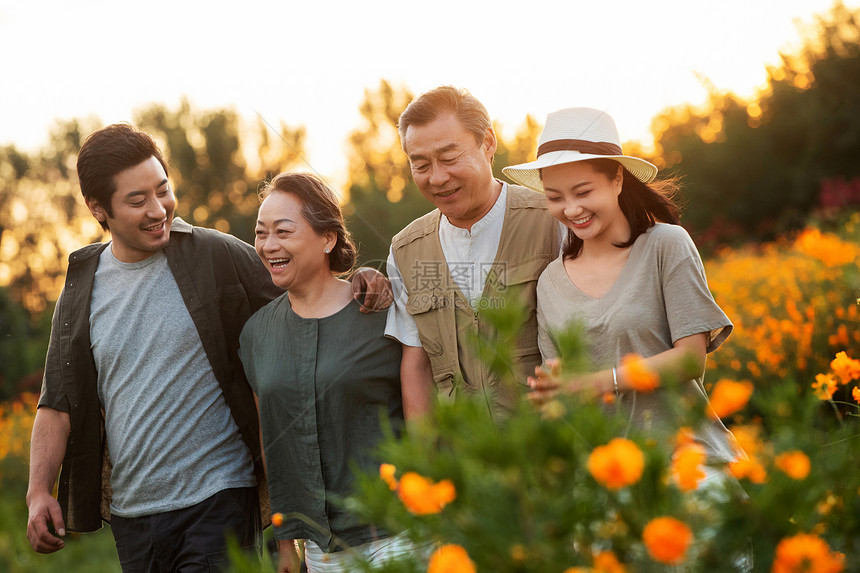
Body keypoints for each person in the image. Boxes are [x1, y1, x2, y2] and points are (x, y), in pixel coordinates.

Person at [26, 123, 391, 572]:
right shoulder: (80, 290)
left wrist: (363, 279)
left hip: (218, 499)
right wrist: (38, 490)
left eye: (163, 190)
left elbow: (305, 289)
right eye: (137, 201)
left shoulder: (215, 255)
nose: (158, 209)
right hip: (133, 515)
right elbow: (57, 401)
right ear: (98, 208)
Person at [503, 106, 740, 465]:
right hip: (608, 473)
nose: (570, 209)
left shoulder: (666, 245)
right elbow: (563, 387)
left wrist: (598, 382)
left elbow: (691, 360)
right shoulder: (550, 281)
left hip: (687, 459)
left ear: (617, 179)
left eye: (583, 191)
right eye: (554, 197)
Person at [239, 172, 424, 573]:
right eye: (261, 233)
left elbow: (422, 410)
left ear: (328, 239)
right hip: (322, 551)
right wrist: (287, 543)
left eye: (283, 231)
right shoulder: (256, 334)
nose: (270, 245)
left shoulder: (381, 309)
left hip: (398, 533)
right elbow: (272, 441)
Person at [386, 86, 562, 422]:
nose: (437, 178)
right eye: (420, 164)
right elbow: (416, 364)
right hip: (462, 458)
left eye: (450, 158)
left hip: (546, 447)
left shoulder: (553, 219)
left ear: (488, 144)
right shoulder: (404, 249)